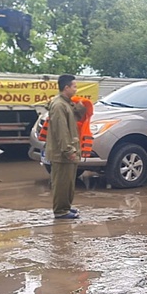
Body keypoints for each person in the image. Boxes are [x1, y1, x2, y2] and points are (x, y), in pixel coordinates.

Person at [46, 74, 81, 220]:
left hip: (67, 151)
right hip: (62, 153)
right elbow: (61, 131)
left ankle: (66, 207)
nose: (76, 89)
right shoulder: (59, 105)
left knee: (68, 182)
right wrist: (68, 150)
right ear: (66, 87)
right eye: (74, 86)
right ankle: (60, 211)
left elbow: (76, 120)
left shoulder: (66, 103)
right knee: (61, 183)